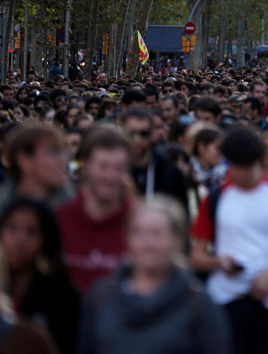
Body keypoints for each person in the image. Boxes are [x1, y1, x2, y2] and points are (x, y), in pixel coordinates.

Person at [190, 127, 268, 354]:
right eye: (236, 165)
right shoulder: (215, 198)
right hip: (226, 299)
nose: (242, 173)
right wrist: (219, 263)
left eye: (248, 165)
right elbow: (196, 255)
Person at [76, 196, 230, 354]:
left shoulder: (198, 305)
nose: (146, 243)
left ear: (177, 240)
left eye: (156, 234)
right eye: (138, 233)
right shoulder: (101, 297)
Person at [56, 127, 135, 295]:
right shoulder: (58, 219)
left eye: (119, 168)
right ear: (86, 165)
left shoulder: (139, 223)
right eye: (103, 167)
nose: (111, 177)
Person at [0, 198, 80, 353]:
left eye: (31, 232)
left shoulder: (62, 296)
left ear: (45, 240)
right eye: (12, 228)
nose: (19, 241)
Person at [121, 109, 188, 209]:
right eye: (131, 133)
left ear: (151, 134)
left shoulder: (169, 173)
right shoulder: (113, 170)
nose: (137, 139)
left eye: (144, 133)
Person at [0, 124, 72, 209]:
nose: (63, 160)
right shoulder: (5, 210)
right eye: (54, 152)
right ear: (25, 160)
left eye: (64, 152)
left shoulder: (73, 207)